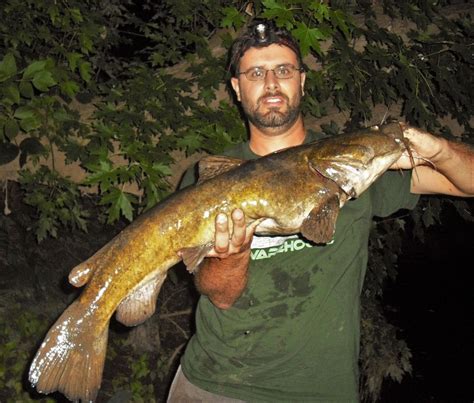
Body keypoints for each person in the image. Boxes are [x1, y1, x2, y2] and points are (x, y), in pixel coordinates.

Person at [167, 21, 473, 402]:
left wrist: (439, 150)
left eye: (284, 70)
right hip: (214, 386)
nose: (272, 83)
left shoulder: (353, 164)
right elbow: (222, 296)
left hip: (320, 390)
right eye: (256, 73)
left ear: (302, 81)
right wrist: (231, 259)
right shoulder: (206, 184)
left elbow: (466, 182)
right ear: (236, 88)